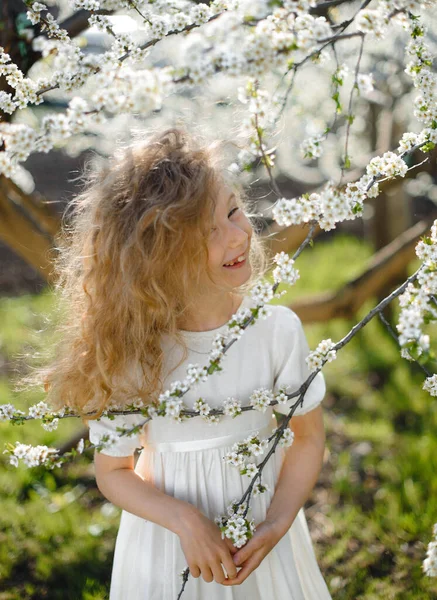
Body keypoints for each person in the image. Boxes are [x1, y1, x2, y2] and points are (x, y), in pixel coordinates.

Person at [59, 127, 331, 599]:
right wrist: (186, 522)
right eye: (208, 232)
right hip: (169, 546)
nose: (237, 234)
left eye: (233, 211)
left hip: (261, 533)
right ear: (158, 259)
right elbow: (114, 472)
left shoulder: (276, 331)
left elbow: (308, 438)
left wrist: (277, 522)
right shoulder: (136, 352)